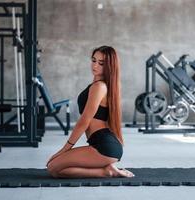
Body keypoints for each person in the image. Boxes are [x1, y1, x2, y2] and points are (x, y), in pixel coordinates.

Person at [46, 46, 134, 178]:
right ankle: (107, 167)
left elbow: (84, 121)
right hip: (104, 146)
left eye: (101, 63)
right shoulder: (99, 85)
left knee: (53, 168)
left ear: (109, 66)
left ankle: (106, 171)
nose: (95, 65)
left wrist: (64, 149)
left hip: (104, 147)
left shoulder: (99, 87)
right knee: (54, 167)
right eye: (94, 60)